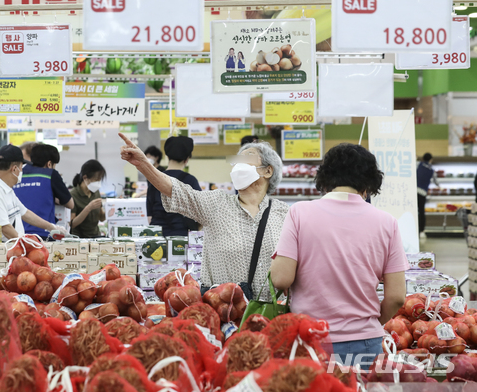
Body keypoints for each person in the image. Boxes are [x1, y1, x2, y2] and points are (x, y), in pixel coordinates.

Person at [270, 144, 408, 368]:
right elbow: (397, 297)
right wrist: (368, 323)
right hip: (364, 343)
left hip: (310, 340)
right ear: (370, 183)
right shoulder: (387, 222)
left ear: (325, 179)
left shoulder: (299, 212)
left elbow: (280, 279)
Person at [119, 133, 288, 300]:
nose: (238, 164)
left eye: (248, 157)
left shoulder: (284, 214)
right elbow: (176, 191)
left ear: (268, 171)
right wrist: (143, 164)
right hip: (224, 313)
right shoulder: (217, 203)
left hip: (270, 314)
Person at [0, 145, 66, 240]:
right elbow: (4, 227)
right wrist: (29, 243)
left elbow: (25, 213)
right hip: (3, 250)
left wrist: (52, 227)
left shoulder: (7, 190)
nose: (22, 171)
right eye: (21, 167)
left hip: (14, 247)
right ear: (14, 169)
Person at [14, 144, 74, 239]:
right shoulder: (50, 174)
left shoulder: (18, 173)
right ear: (49, 164)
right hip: (43, 233)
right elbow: (70, 204)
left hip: (17, 233)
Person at [147, 136, 201, 237]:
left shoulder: (154, 180)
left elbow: (149, 217)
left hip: (157, 237)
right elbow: (200, 214)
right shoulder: (191, 181)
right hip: (182, 237)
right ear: (187, 159)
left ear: (167, 157)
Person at [70, 160, 107, 239]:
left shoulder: (96, 192)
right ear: (85, 177)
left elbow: (101, 218)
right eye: (96, 179)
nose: (98, 183)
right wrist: (88, 208)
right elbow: (72, 223)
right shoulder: (73, 195)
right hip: (78, 238)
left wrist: (112, 208)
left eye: (100, 180)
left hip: (96, 236)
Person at [416, 153, 439, 239]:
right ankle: (422, 231)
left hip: (414, 191)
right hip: (423, 193)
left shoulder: (419, 164)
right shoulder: (432, 170)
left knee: (414, 211)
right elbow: (436, 182)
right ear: (430, 160)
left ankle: (414, 230)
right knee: (421, 212)